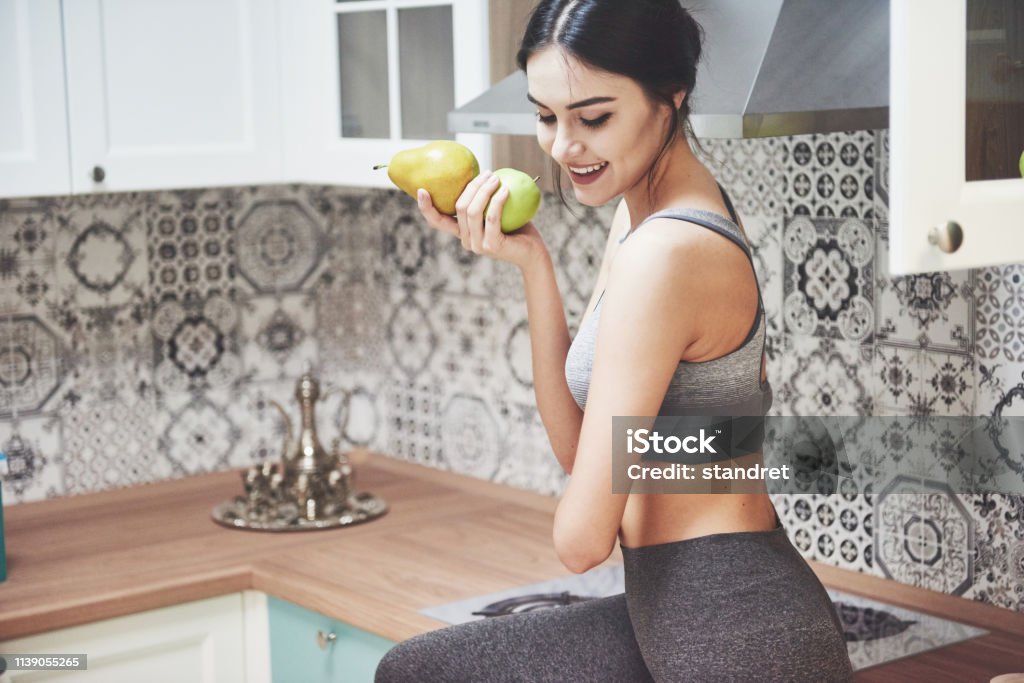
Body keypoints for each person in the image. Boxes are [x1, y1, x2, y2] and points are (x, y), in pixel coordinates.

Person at [375, 0, 854, 680]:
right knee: (420, 669)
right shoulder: (640, 218)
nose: (563, 146)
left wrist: (596, 498)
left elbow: (580, 539)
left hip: (741, 632)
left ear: (672, 95)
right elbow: (584, 452)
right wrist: (532, 264)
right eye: (546, 116)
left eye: (593, 117)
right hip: (668, 607)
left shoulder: (668, 251)